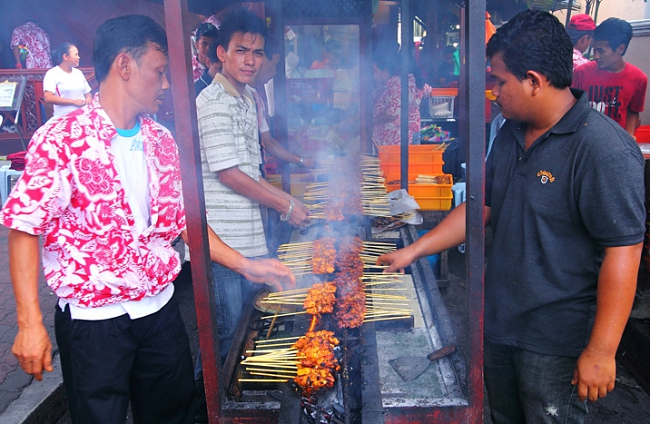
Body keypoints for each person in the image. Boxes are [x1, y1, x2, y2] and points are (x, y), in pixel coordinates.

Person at [1, 15, 295, 424]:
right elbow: (23, 225)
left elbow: (184, 224)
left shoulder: (162, 141)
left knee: (171, 414)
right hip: (94, 323)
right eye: (159, 71)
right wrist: (29, 322)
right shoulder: (61, 140)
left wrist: (247, 265)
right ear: (125, 66)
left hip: (159, 313)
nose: (167, 83)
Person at [378, 10, 645, 424]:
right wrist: (412, 251)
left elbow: (623, 250)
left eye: (499, 81)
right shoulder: (508, 132)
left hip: (556, 340)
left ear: (535, 81)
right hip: (500, 320)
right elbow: (482, 206)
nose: (492, 92)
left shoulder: (603, 150)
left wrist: (602, 350)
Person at [195, 7, 310, 363]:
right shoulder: (213, 102)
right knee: (225, 335)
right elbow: (227, 173)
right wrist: (284, 205)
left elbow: (250, 170)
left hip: (248, 238)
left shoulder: (245, 98)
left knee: (245, 327)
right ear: (222, 53)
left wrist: (285, 200)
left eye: (257, 52)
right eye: (241, 51)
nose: (250, 61)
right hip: (222, 242)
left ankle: (234, 405)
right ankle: (207, 411)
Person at [572, 17, 648, 136]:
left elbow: (633, 111)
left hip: (616, 143)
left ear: (620, 48)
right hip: (585, 141)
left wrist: (628, 137)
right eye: (594, 50)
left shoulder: (638, 79)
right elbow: (570, 109)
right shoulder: (581, 73)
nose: (595, 56)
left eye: (601, 51)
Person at [372, 52, 431, 146]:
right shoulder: (416, 81)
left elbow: (391, 115)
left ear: (385, 71)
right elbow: (428, 91)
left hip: (399, 137)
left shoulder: (398, 85)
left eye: (375, 71)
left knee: (402, 161)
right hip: (412, 132)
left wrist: (369, 122)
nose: (373, 75)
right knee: (413, 160)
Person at [43, 42, 92, 118]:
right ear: (65, 56)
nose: (78, 57)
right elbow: (48, 97)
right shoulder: (52, 74)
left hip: (83, 115)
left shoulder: (78, 73)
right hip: (63, 116)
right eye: (76, 55)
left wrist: (88, 99)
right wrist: (73, 102)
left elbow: (88, 93)